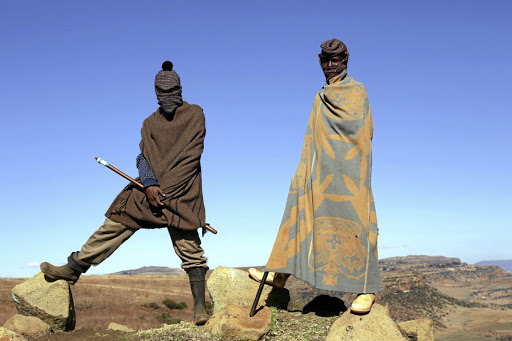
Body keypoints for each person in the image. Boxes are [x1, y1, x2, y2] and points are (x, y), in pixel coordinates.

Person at [40, 61, 210, 325]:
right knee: (114, 224)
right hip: (149, 189)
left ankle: (200, 307)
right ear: (155, 92)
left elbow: (191, 156)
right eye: (161, 91)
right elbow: (143, 157)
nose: (167, 96)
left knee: (189, 247)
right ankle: (73, 268)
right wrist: (150, 183)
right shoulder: (149, 123)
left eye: (172, 90)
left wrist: (166, 191)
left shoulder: (195, 114)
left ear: (180, 88)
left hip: (182, 192)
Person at [249, 39, 382, 314]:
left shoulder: (358, 91)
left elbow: (364, 133)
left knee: (358, 220)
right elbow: (314, 136)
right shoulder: (320, 95)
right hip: (316, 168)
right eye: (325, 60)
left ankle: (367, 289)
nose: (330, 66)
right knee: (299, 211)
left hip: (349, 172)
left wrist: (344, 161)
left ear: (346, 60)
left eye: (336, 60)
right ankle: (280, 275)